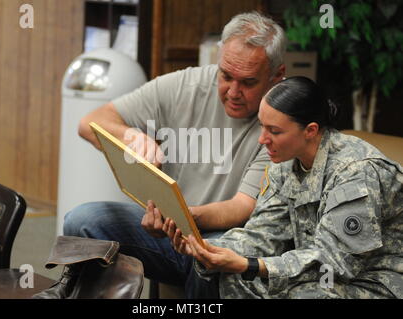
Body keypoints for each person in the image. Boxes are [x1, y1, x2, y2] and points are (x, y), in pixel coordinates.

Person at [52, 11, 287, 297]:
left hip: (223, 239)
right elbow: (89, 123)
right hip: (168, 230)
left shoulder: (282, 121)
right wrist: (131, 136)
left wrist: (180, 219)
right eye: (225, 76)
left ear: (277, 76)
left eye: (248, 82)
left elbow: (241, 207)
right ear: (218, 60)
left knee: (214, 252)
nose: (233, 91)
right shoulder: (184, 86)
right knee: (82, 219)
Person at [163, 76, 403, 298]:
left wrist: (252, 265)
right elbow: (264, 234)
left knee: (305, 294)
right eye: (262, 126)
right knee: (231, 277)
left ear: (310, 130)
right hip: (318, 274)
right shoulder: (283, 163)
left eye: (274, 131)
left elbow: (335, 263)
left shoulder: (357, 172)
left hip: (375, 281)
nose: (262, 139)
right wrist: (207, 249)